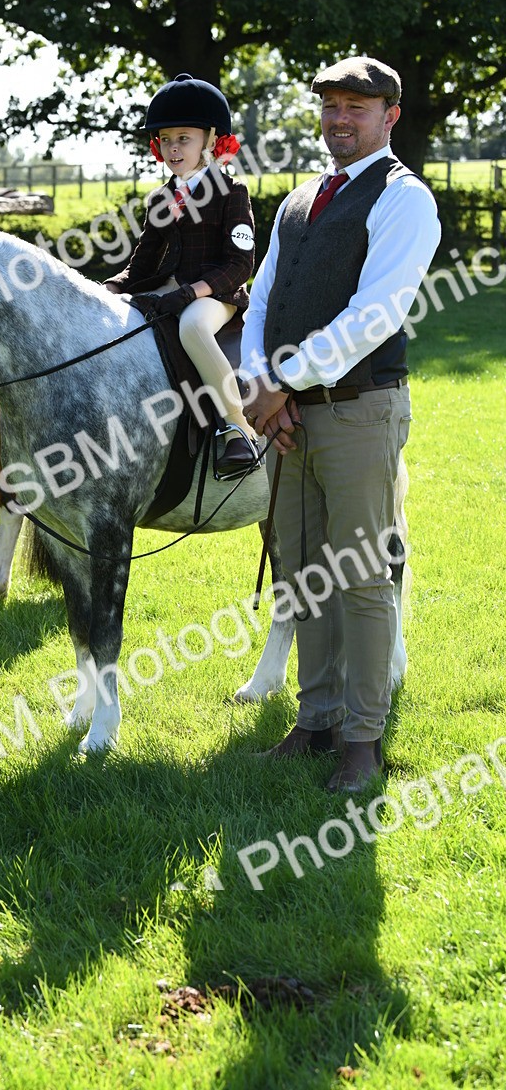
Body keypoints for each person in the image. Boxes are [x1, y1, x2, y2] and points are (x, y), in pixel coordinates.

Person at [240, 56, 441, 792]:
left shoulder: (403, 199)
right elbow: (262, 300)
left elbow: (376, 315)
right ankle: (316, 718)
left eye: (358, 106)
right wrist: (260, 382)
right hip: (290, 416)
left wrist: (280, 383)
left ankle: (363, 739)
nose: (340, 119)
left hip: (359, 410)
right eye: (331, 105)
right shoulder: (298, 200)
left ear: (391, 116)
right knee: (302, 576)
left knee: (360, 576)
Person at [104, 73, 260, 477]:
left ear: (210, 140)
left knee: (192, 327)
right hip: (168, 290)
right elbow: (143, 264)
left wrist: (193, 293)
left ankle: (237, 430)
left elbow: (240, 264)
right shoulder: (161, 197)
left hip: (216, 297)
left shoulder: (232, 192)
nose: (174, 148)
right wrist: (108, 289)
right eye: (167, 140)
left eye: (184, 139)